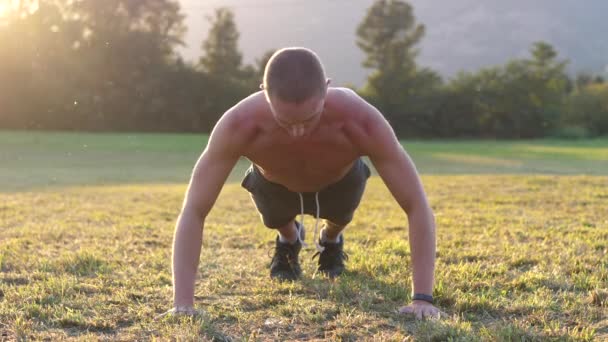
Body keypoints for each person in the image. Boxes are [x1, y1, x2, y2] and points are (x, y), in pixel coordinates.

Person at [167, 47, 440, 319]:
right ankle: (289, 238)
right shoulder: (239, 124)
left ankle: (331, 239)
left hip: (340, 181)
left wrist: (422, 298)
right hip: (273, 185)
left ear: (326, 89)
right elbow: (194, 209)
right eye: (284, 120)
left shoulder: (361, 120)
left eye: (309, 119)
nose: (298, 132)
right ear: (264, 92)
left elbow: (416, 204)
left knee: (340, 215)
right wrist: (183, 302)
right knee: (275, 218)